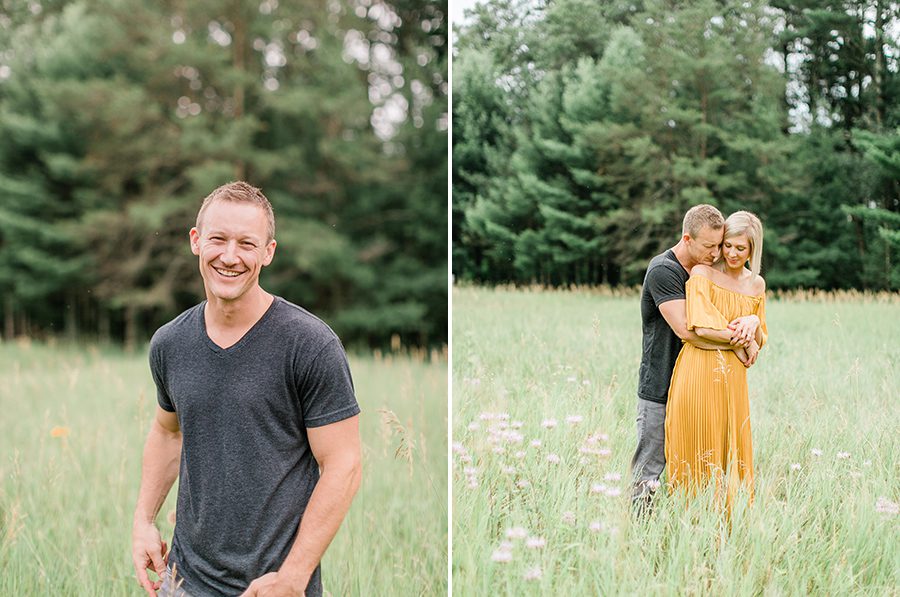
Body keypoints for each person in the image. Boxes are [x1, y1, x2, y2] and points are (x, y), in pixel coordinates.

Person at [131, 181, 362, 597]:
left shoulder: (310, 345)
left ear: (268, 252)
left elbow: (344, 464)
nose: (230, 257)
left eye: (247, 244)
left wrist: (293, 578)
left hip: (274, 587)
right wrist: (144, 521)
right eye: (218, 239)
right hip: (181, 582)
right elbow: (168, 432)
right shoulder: (169, 343)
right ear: (196, 242)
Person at [630, 205, 760, 509]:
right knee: (650, 468)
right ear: (687, 238)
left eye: (720, 245)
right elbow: (688, 330)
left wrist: (752, 325)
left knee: (696, 467)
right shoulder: (664, 270)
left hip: (701, 389)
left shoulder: (708, 272)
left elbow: (736, 310)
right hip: (660, 386)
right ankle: (637, 534)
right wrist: (742, 343)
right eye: (709, 246)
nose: (716, 253)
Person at [664, 211, 766, 508]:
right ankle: (689, 523)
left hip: (734, 381)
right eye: (727, 246)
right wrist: (738, 343)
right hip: (698, 371)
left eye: (740, 248)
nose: (731, 254)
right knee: (697, 449)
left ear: (752, 250)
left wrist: (754, 324)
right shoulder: (702, 274)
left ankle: (729, 531)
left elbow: (760, 340)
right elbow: (700, 325)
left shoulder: (756, 285)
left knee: (729, 452)